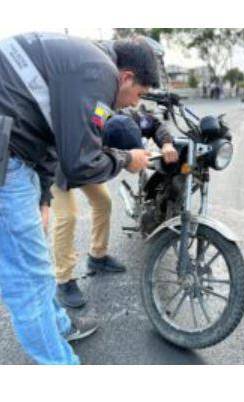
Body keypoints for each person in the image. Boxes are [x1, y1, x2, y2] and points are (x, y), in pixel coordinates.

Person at [0, 32, 157, 364]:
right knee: (28, 279)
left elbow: (53, 138)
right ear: (126, 76)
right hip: (7, 157)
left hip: (18, 151)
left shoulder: (94, 78)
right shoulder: (99, 73)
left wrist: (42, 197)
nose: (134, 104)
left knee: (36, 266)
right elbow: (79, 163)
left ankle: (58, 324)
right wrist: (128, 159)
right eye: (138, 94)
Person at [52, 110, 178, 309]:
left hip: (92, 161)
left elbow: (154, 123)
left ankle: (97, 257)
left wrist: (167, 142)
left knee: (103, 203)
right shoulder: (83, 135)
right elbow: (71, 165)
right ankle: (63, 280)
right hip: (60, 163)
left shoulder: (127, 118)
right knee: (67, 217)